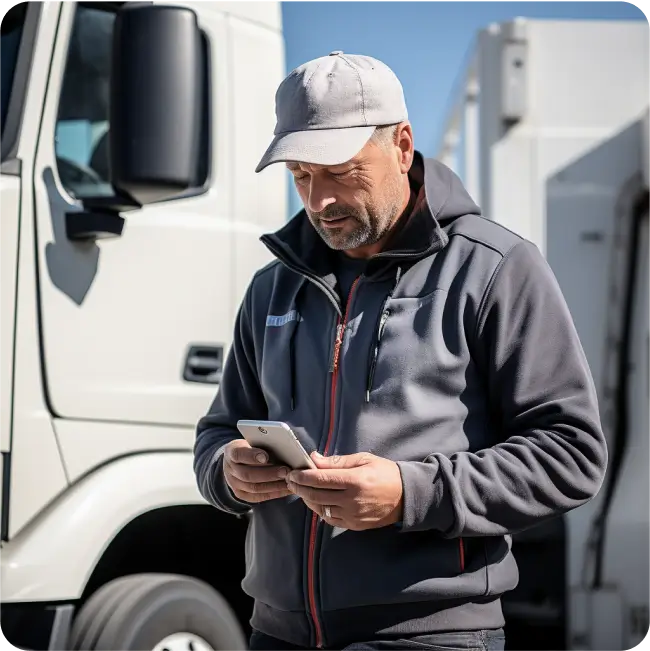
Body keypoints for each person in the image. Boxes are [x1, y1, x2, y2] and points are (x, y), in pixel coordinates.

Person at [193, 51, 607, 651]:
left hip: (431, 637)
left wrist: (412, 494)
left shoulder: (495, 269)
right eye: (301, 176)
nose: (319, 200)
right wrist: (228, 473)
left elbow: (571, 455)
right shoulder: (270, 289)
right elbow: (215, 433)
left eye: (341, 170)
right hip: (275, 633)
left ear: (403, 145)